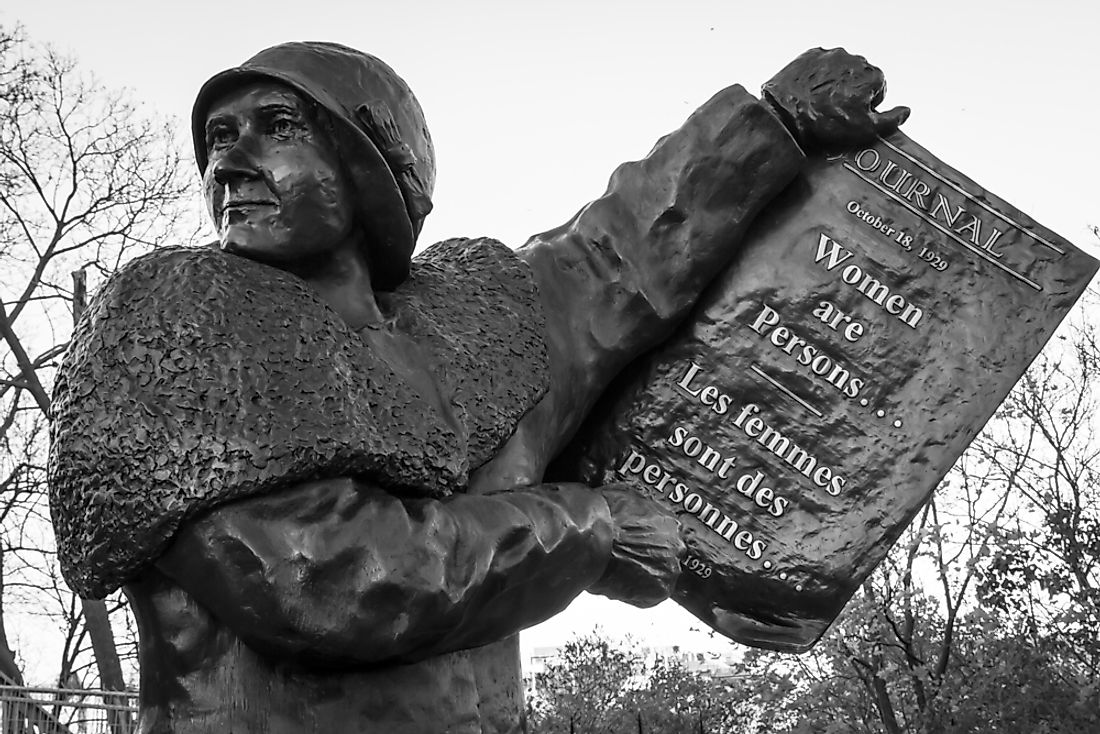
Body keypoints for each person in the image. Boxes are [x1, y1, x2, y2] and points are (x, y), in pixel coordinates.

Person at [48, 42, 907, 733]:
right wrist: (593, 529)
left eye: (274, 127)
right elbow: (330, 583)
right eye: (218, 139)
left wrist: (775, 121)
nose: (228, 164)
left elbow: (627, 248)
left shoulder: (479, 321)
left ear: (372, 161)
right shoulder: (175, 322)